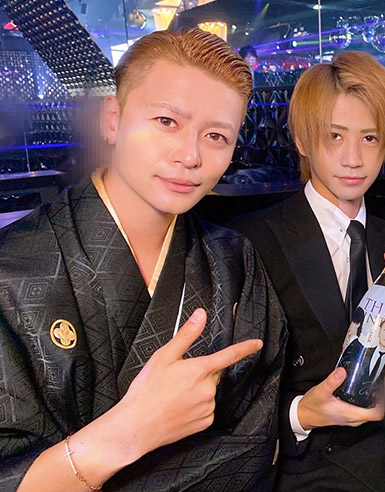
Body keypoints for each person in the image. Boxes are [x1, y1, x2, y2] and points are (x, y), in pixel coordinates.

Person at [0, 28, 286, 492]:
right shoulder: (10, 270)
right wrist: (129, 432)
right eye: (167, 121)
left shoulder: (235, 262)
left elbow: (254, 436)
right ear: (112, 119)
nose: (190, 156)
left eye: (216, 135)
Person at [227, 51, 385, 491]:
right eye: (335, 136)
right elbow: (230, 396)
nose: (353, 159)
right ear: (303, 141)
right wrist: (302, 413)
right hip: (308, 465)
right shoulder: (251, 242)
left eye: (369, 138)